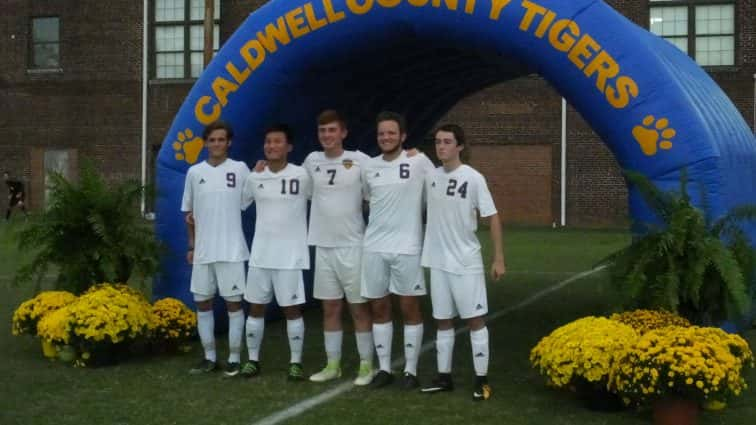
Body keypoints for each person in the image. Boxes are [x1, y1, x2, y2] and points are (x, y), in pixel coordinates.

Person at [419, 124, 506, 401]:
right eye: (438, 141)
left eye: (447, 141)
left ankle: (482, 381)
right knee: (442, 321)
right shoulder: (430, 176)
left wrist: (498, 258)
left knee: (474, 320)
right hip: (438, 261)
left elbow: (492, 216)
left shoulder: (473, 178)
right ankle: (444, 378)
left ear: (460, 146)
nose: (441, 146)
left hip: (465, 262)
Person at [361, 111, 436, 389]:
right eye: (382, 133)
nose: (386, 137)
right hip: (374, 247)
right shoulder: (369, 167)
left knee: (409, 307)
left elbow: (437, 190)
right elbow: (369, 200)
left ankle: (411, 371)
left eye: (391, 132)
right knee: (379, 307)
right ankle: (383, 369)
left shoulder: (418, 161)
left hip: (407, 247)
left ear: (403, 136)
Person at [304, 110, 377, 386]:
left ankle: (366, 365)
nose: (327, 136)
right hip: (323, 246)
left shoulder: (361, 161)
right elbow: (301, 192)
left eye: (332, 130)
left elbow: (377, 193)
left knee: (358, 308)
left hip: (352, 246)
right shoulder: (311, 161)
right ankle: (332, 365)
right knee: (330, 308)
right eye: (322, 131)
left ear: (343, 133)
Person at [241, 124, 312, 381]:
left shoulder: (303, 175)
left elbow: (324, 198)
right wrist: (251, 172)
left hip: (290, 257)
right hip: (260, 256)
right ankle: (253, 360)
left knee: (291, 310)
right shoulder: (255, 177)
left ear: (289, 147)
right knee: (255, 308)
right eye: (268, 142)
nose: (271, 146)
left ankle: (295, 362)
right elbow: (240, 202)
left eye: (277, 141)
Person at [181, 120, 251, 376]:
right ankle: (209, 356)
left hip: (232, 250)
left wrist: (263, 170)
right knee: (203, 304)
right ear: (205, 143)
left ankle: (234, 357)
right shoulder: (194, 172)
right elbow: (188, 213)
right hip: (203, 252)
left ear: (229, 142)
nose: (217, 144)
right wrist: (191, 245)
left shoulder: (241, 169)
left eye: (221, 139)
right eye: (212, 140)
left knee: (234, 304)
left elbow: (253, 197)